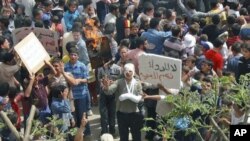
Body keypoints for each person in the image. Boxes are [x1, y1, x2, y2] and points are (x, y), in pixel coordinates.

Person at [102, 63, 144, 141]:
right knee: (123, 137)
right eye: (126, 71)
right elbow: (109, 91)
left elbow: (141, 98)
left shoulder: (137, 83)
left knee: (137, 136)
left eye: (130, 71)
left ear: (134, 72)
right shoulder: (119, 82)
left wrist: (137, 97)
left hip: (135, 114)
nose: (128, 73)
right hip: (122, 114)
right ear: (123, 72)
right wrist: (106, 87)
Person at [64, 47, 91, 136]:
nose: (73, 56)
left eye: (75, 55)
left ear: (78, 56)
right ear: (68, 56)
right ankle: (74, 136)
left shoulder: (82, 66)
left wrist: (79, 80)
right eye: (71, 55)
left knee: (82, 116)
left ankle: (86, 134)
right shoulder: (65, 67)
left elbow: (87, 79)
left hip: (81, 95)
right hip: (70, 96)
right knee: (72, 116)